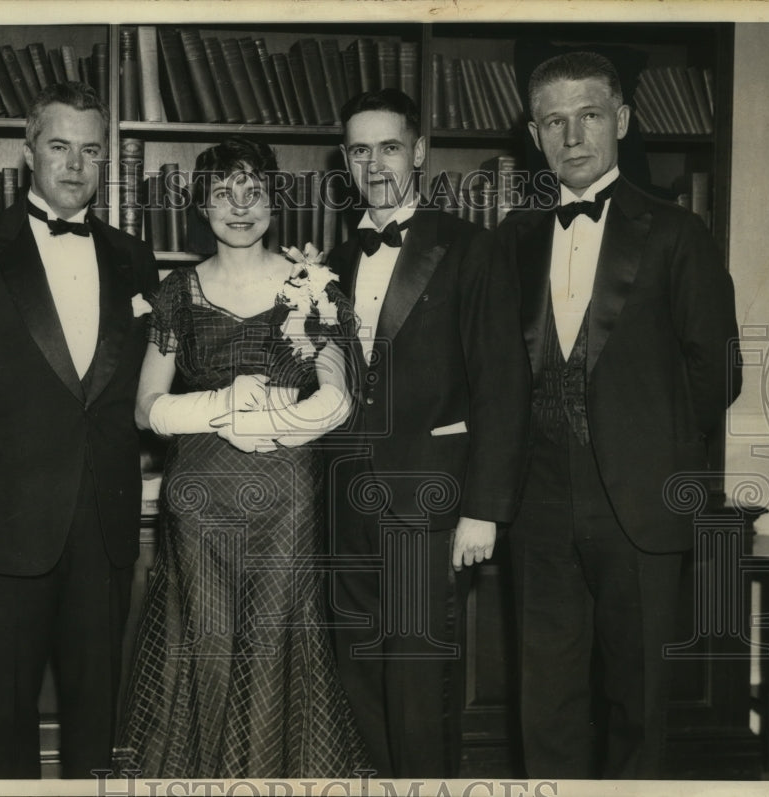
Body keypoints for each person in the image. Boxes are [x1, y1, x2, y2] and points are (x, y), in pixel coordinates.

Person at [496, 51, 742, 778]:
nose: (573, 136)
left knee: (638, 703)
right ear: (534, 134)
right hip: (534, 502)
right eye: (554, 121)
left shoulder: (677, 233)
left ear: (624, 121)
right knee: (546, 700)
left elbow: (715, 372)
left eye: (590, 115)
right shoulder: (511, 240)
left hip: (639, 501)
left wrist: (649, 446)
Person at [0, 82, 158, 778]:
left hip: (104, 520)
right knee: (8, 710)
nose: (75, 164)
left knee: (96, 709)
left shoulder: (134, 257)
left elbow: (139, 383)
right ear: (28, 151)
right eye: (59, 146)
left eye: (90, 150)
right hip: (5, 519)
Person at [113, 136, 366, 778]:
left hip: (285, 494)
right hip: (199, 498)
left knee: (277, 639)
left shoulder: (316, 286)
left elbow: (337, 399)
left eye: (254, 191)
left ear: (275, 200)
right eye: (223, 192)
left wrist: (278, 418)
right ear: (201, 205)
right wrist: (221, 406)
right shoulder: (177, 292)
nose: (240, 206)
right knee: (209, 642)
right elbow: (146, 407)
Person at [324, 89, 530, 778]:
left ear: (418, 151)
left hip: (429, 499)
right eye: (359, 149)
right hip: (341, 502)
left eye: (388, 146)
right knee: (359, 678)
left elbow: (503, 382)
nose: (374, 163)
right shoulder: (329, 260)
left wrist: (484, 508)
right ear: (344, 160)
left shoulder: (468, 247)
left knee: (419, 688)